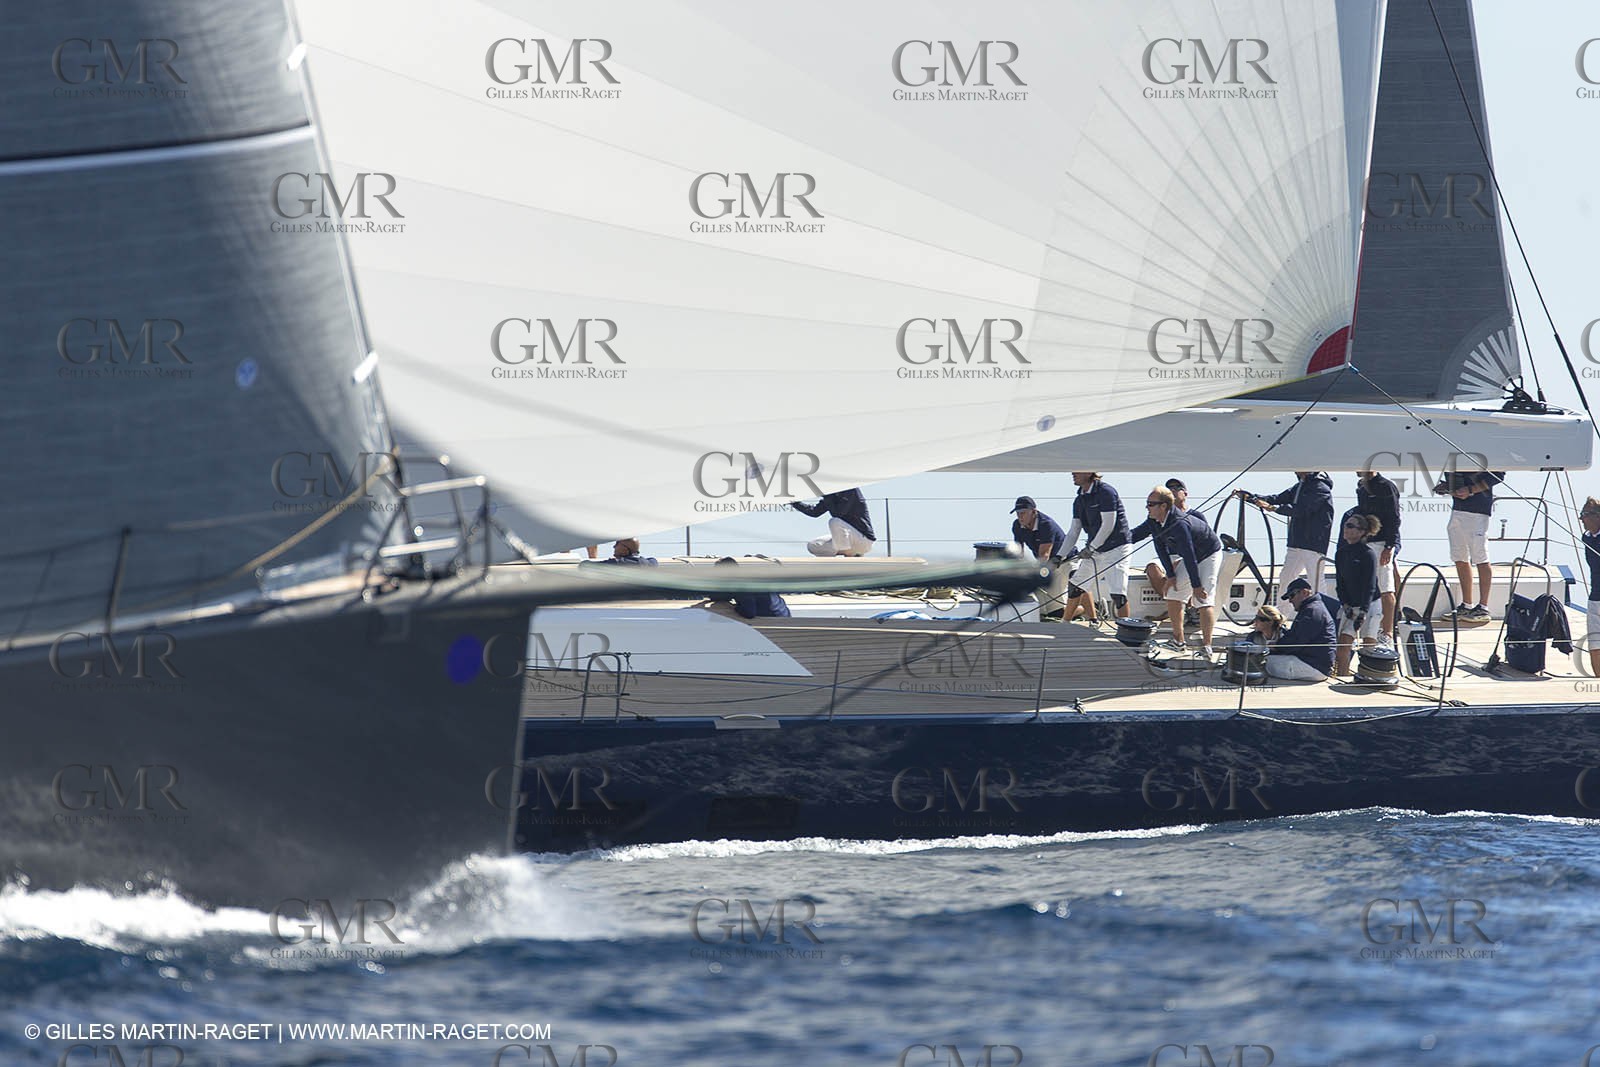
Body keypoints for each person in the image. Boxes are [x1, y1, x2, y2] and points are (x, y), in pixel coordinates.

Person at [1128, 485, 1220, 657]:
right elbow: (1159, 547)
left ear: (1163, 506)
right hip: (1191, 557)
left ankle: (1207, 647)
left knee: (1203, 598)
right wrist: (1170, 576)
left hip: (1208, 554)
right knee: (1172, 592)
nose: (1147, 507)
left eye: (1150, 504)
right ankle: (1179, 642)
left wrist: (1196, 586)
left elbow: (1189, 554)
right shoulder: (1154, 521)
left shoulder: (1179, 523)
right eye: (1147, 503)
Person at [1235, 471, 1334, 611]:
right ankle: (1280, 616)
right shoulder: (1301, 486)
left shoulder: (1320, 488)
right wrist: (1250, 498)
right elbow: (1278, 498)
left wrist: (1274, 509)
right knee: (1286, 577)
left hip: (1312, 543)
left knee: (1316, 581)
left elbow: (1303, 510)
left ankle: (1324, 615)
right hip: (1297, 542)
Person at [1434, 467, 1506, 619]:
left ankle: (1483, 607)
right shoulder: (1456, 456)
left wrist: (1471, 490)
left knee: (1480, 558)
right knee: (1459, 558)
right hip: (1458, 510)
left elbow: (1498, 475)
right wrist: (1447, 487)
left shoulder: (1486, 453)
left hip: (1478, 512)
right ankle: (1467, 605)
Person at [1060, 472, 1133, 619]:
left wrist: (1091, 548)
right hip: (1096, 550)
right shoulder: (1079, 499)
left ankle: (1126, 629)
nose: (1073, 473)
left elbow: (1108, 525)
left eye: (1077, 470)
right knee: (1076, 586)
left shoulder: (1106, 492)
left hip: (1117, 549)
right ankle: (1065, 624)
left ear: (1089, 472)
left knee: (1118, 594)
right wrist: (1059, 556)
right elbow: (1074, 531)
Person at [1247, 580, 1335, 680]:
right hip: (1316, 665)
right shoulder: (1314, 609)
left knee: (1261, 661)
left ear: (1305, 593)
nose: (1290, 600)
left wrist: (1276, 647)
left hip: (1312, 666)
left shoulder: (1312, 611)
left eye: (1292, 596)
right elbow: (1297, 639)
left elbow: (1296, 642)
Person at [1354, 469, 1402, 643]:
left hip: (1381, 544)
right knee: (1361, 588)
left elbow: (1394, 517)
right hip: (1364, 544)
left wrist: (1389, 547)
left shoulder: (1386, 487)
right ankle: (1358, 632)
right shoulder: (1361, 488)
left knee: (1385, 588)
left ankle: (1387, 632)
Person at [1333, 514, 1384, 675]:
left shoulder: (1367, 554)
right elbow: (1340, 584)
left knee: (1368, 646)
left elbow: (1369, 585)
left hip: (1370, 604)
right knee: (1343, 646)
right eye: (1345, 525)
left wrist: (1363, 611)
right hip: (1351, 606)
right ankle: (1343, 676)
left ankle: (1370, 677)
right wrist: (1346, 605)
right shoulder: (1341, 553)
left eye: (1350, 526)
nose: (1345, 529)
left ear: (1361, 532)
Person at [1009, 495, 1070, 620]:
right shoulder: (1017, 526)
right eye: (1018, 513)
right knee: (1044, 610)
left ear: (1033, 512)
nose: (1020, 516)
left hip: (1063, 562)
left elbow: (1044, 555)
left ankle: (1086, 609)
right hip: (1046, 564)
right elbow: (1018, 552)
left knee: (1057, 612)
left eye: (1023, 513)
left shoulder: (1046, 524)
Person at [792, 488, 876, 557]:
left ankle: (849, 557)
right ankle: (851, 554)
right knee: (813, 545)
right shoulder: (831, 496)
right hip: (847, 541)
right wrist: (793, 502)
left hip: (863, 540)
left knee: (834, 522)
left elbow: (838, 513)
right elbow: (814, 512)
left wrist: (827, 496)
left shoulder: (850, 490)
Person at [711, 558, 791, 619]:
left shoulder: (741, 584)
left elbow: (749, 612)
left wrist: (733, 607)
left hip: (779, 619)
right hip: (777, 614)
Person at [1582, 498, 1600, 677]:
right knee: (1595, 642)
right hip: (1595, 596)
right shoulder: (1587, 537)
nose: (1582, 519)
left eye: (1585, 515)